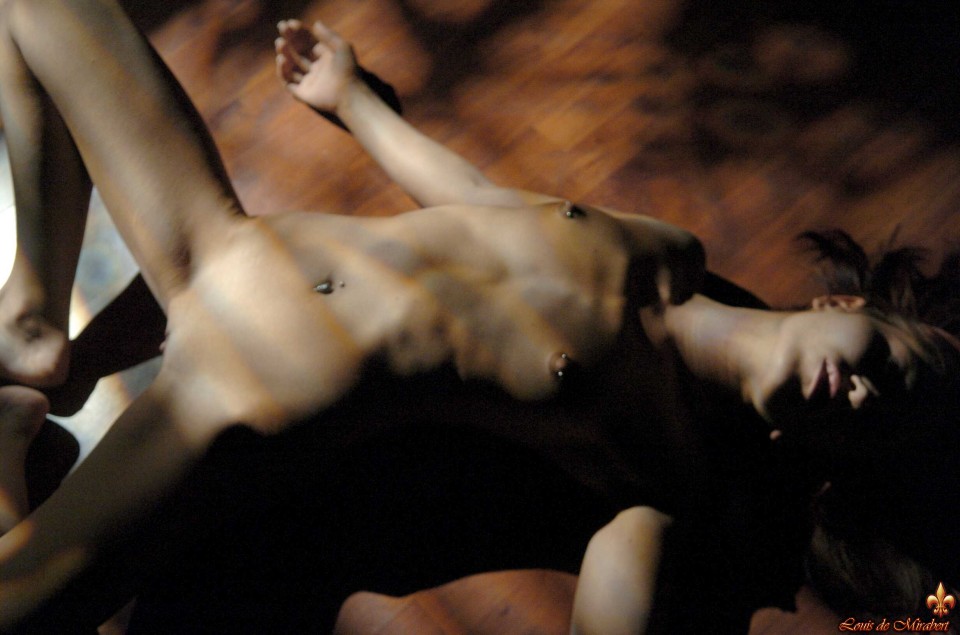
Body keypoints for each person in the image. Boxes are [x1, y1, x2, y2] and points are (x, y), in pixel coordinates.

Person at [0, 1, 955, 632]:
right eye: (888, 366)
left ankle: (11, 446)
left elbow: (624, 597)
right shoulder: (674, 250)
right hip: (230, 243)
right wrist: (357, 106)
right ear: (848, 304)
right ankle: (35, 323)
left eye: (870, 424)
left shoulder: (669, 464)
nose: (861, 394)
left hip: (235, 401)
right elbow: (487, 203)